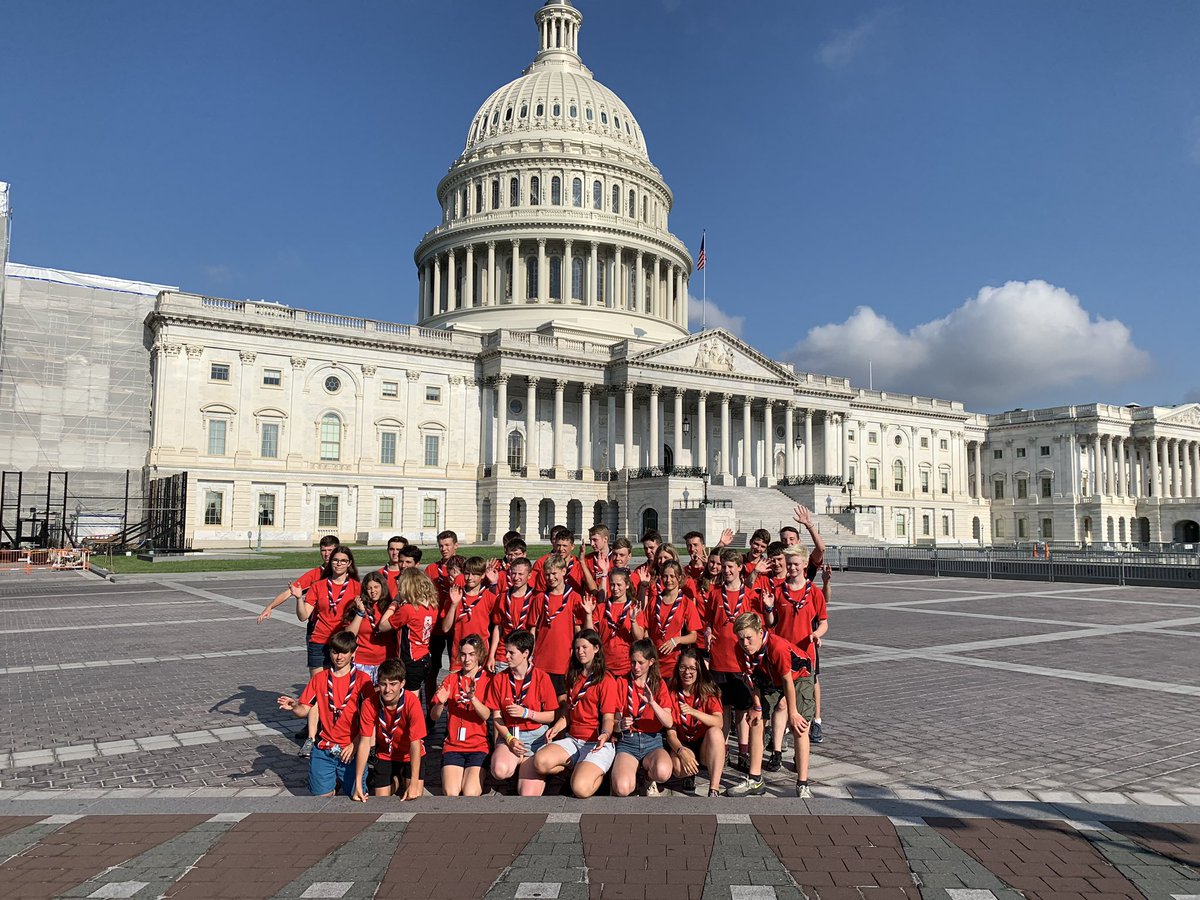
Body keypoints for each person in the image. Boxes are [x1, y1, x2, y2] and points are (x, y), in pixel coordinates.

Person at [729, 612, 814, 798]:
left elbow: (787, 682)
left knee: (799, 726)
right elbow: (752, 678)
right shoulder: (740, 649)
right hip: (767, 678)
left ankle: (802, 784)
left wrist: (793, 713)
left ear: (760, 632)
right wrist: (757, 707)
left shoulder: (777, 647)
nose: (745, 643)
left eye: (749, 638)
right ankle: (755, 778)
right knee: (757, 721)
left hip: (798, 675)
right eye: (741, 639)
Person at [277, 630, 371, 797]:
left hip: (351, 750)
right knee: (321, 800)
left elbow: (370, 723)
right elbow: (304, 709)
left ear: (353, 653)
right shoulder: (320, 679)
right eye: (335, 652)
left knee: (356, 797)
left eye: (344, 652)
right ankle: (329, 783)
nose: (339, 657)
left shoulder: (363, 681)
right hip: (324, 750)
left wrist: (355, 744)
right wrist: (294, 707)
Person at [528, 629, 617, 798]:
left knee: (580, 789)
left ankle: (599, 772)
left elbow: (608, 717)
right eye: (577, 648)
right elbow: (570, 709)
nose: (580, 652)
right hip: (574, 739)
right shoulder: (574, 675)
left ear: (596, 649)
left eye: (585, 647)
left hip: (597, 743)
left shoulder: (606, 680)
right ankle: (579, 766)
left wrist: (605, 734)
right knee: (540, 762)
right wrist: (557, 727)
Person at [762, 547, 828, 769]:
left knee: (801, 710)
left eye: (796, 564)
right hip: (782, 656)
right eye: (789, 564)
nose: (791, 567)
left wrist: (816, 635)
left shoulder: (814, 592)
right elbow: (771, 623)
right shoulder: (779, 590)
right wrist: (769, 608)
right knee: (781, 706)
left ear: (804, 565)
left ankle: (800, 754)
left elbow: (824, 622)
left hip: (804, 659)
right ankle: (777, 751)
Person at [706, 547, 765, 774]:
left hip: (741, 662)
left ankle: (742, 751)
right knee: (722, 710)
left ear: (740, 568)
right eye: (724, 566)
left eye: (731, 567)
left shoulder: (749, 594)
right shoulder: (714, 593)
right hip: (719, 661)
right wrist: (709, 632)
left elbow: (758, 624)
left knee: (741, 711)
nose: (726, 571)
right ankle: (724, 751)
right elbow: (709, 621)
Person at [484, 629, 559, 794]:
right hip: (511, 735)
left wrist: (527, 713)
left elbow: (550, 716)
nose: (506, 657)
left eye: (511, 653)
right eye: (506, 652)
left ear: (525, 653)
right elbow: (497, 717)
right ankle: (514, 762)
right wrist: (509, 739)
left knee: (528, 794)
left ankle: (529, 765)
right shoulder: (499, 679)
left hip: (535, 738)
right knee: (499, 770)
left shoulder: (541, 677)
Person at [352, 658, 425, 801]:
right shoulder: (369, 703)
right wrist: (358, 783)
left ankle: (406, 780)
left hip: (409, 755)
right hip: (385, 754)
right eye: (383, 684)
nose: (388, 689)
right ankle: (397, 782)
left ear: (402, 683)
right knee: (381, 800)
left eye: (393, 684)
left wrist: (414, 784)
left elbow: (415, 743)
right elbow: (365, 742)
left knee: (414, 796)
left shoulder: (412, 702)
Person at [611, 640, 674, 797]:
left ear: (651, 662)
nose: (636, 667)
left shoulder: (658, 684)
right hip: (628, 742)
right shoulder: (622, 682)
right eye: (633, 662)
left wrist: (652, 703)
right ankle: (632, 776)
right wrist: (620, 724)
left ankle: (647, 777)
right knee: (622, 789)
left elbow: (669, 722)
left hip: (652, 740)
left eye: (641, 662)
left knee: (663, 772)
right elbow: (613, 723)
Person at [431, 634, 491, 797]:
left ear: (479, 655)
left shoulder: (487, 680)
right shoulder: (450, 679)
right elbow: (434, 717)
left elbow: (486, 714)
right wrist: (440, 704)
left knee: (470, 793)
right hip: (454, 746)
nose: (466, 659)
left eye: (471, 654)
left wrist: (473, 698)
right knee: (451, 793)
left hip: (478, 746)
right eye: (463, 654)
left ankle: (480, 776)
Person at [665, 646, 724, 796]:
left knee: (716, 733)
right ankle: (688, 775)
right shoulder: (671, 693)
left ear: (699, 670)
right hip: (682, 742)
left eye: (692, 668)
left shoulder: (708, 691)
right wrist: (681, 751)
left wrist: (694, 712)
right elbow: (670, 734)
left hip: (703, 744)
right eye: (683, 667)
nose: (687, 672)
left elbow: (719, 722)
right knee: (677, 767)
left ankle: (714, 789)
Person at [297, 546, 361, 677]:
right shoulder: (318, 585)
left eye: (343, 561)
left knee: (339, 685)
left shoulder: (357, 587)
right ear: (330, 562)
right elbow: (303, 616)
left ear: (349, 563)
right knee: (318, 686)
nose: (339, 563)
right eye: (335, 560)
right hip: (319, 641)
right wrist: (299, 598)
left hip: (342, 643)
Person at [377, 568, 439, 697]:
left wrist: (395, 602)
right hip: (424, 656)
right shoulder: (432, 606)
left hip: (410, 660)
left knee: (411, 699)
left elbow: (382, 626)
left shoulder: (409, 610)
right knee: (416, 692)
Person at [580, 565, 644, 679]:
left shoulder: (634, 608)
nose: (615, 588)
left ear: (627, 585)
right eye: (612, 584)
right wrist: (589, 614)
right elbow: (590, 635)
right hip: (605, 665)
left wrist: (633, 621)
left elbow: (639, 638)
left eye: (619, 585)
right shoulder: (601, 608)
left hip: (627, 666)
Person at [257, 534, 339, 623]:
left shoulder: (346, 573)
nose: (326, 554)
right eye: (323, 550)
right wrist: (269, 607)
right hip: (317, 625)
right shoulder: (314, 574)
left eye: (330, 550)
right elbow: (288, 592)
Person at [531, 555, 581, 696]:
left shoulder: (574, 597)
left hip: (563, 660)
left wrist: (575, 655)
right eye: (547, 574)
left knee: (562, 700)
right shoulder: (540, 598)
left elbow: (578, 629)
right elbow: (532, 629)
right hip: (541, 660)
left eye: (554, 573)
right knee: (541, 698)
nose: (551, 578)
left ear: (564, 572)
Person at [424, 530, 464, 703]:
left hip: (458, 627)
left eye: (448, 545)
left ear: (456, 546)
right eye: (441, 545)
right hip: (436, 626)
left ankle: (455, 704)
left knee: (457, 667)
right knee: (433, 668)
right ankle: (432, 705)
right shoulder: (431, 569)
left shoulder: (464, 567)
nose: (444, 549)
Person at [645, 559, 700, 680]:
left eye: (672, 576)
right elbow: (646, 628)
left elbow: (693, 636)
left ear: (679, 578)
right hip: (655, 662)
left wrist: (676, 641)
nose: (668, 580)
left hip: (675, 663)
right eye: (665, 576)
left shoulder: (686, 603)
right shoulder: (654, 601)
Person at [442, 557, 498, 672]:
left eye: (475, 574)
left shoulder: (489, 597)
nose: (470, 578)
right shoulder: (456, 594)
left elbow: (497, 626)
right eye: (467, 573)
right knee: (457, 688)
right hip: (459, 654)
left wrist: (492, 655)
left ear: (483, 576)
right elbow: (445, 628)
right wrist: (453, 604)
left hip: (481, 653)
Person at [343, 571, 394, 682]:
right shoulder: (356, 606)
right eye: (369, 588)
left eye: (376, 587)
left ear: (383, 587)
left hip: (386, 661)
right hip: (363, 661)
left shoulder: (391, 607)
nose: (373, 591)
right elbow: (349, 635)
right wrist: (360, 612)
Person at [488, 556, 536, 671]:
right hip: (504, 653)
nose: (516, 577)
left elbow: (533, 630)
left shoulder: (535, 598)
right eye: (513, 573)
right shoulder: (503, 597)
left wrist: (531, 654)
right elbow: (498, 627)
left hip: (524, 652)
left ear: (529, 575)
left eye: (520, 574)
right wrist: (491, 655)